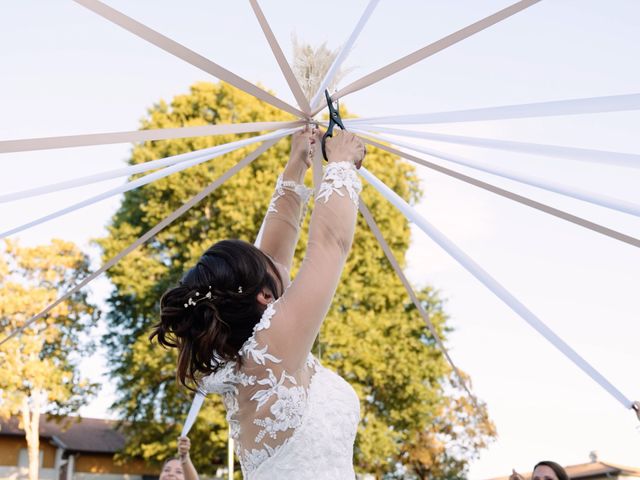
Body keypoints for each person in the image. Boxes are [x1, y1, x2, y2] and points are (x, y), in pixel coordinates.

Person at [151, 126, 367, 479]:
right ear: (264, 296)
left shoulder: (256, 354)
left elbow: (275, 252)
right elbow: (329, 244)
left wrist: (296, 164)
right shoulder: (273, 348)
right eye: (267, 268)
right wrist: (341, 163)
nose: (279, 262)